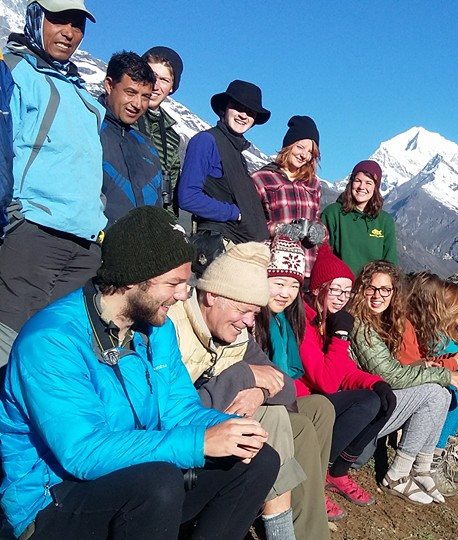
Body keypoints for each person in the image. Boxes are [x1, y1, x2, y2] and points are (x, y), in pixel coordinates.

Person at [0, 206, 279, 540]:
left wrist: (226, 430)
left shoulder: (154, 330)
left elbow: (179, 409)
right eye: (174, 283)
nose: (182, 295)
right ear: (134, 279)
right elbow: (82, 452)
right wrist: (199, 441)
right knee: (157, 484)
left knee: (257, 460)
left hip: (129, 477)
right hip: (51, 498)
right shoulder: (52, 341)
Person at [167, 242, 331, 540]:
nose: (248, 322)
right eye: (243, 310)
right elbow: (176, 411)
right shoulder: (173, 329)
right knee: (276, 428)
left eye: (254, 314)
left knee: (287, 419)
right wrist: (244, 376)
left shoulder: (237, 335)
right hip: (175, 446)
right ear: (211, 296)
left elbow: (284, 386)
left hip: (208, 433)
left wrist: (258, 391)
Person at [0, 0, 107, 363]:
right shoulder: (13, 71)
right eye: (58, 20)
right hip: (34, 233)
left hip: (84, 243)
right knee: (9, 341)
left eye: (77, 25)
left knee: (52, 352)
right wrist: (13, 218)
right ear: (35, 18)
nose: (69, 32)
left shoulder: (79, 90)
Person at [259, 240, 393, 521]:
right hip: (306, 398)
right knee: (364, 403)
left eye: (347, 290)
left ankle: (336, 471)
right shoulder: (305, 323)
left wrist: (374, 382)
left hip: (313, 395)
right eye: (335, 289)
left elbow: (343, 370)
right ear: (318, 289)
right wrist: (341, 337)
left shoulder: (327, 319)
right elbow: (328, 381)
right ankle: (316, 477)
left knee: (378, 398)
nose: (342, 297)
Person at [349, 260, 458, 504]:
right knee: (435, 392)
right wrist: (444, 372)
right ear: (361, 289)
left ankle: (420, 468)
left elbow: (396, 369)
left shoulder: (378, 321)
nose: (378, 296)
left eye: (385, 290)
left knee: (440, 393)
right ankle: (398, 474)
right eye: (371, 288)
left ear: (394, 292)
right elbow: (391, 376)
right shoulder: (361, 326)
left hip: (373, 404)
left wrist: (425, 367)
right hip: (359, 417)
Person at [400, 273, 458, 489]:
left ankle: (442, 450)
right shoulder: (440, 334)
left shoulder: (444, 332)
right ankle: (434, 456)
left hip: (429, 376)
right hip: (419, 383)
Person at [177, 79, 270, 244]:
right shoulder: (206, 141)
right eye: (238, 107)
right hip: (220, 244)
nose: (243, 115)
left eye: (250, 112)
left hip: (241, 247)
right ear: (224, 108)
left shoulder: (238, 152)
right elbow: (188, 196)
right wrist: (235, 213)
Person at [251, 115, 327, 277]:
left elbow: (318, 220)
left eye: (310, 152)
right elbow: (250, 223)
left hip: (307, 268)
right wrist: (278, 229)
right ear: (289, 145)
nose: (304, 155)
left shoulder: (313, 184)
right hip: (274, 265)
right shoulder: (262, 178)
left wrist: (320, 232)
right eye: (300, 147)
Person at [99, 51, 163, 227]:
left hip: (143, 249)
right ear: (109, 85)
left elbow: (157, 207)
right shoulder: (88, 129)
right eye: (130, 92)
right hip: (93, 247)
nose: (137, 104)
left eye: (145, 97)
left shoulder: (147, 147)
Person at [138, 46, 188, 227]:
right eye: (151, 75)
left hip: (152, 224)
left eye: (164, 80)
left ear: (172, 87)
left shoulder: (172, 138)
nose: (155, 85)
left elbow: (170, 190)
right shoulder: (113, 113)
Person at [321, 160, 398, 275]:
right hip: (340, 289)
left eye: (368, 183)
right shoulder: (333, 213)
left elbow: (390, 265)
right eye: (358, 181)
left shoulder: (385, 221)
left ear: (375, 188)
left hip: (372, 290)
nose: (362, 187)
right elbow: (322, 255)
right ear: (351, 182)